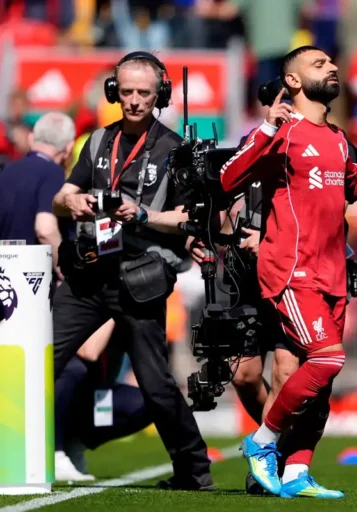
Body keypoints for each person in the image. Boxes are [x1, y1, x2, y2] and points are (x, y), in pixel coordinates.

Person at [220, 45, 357, 498]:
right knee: (327, 358)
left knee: (316, 381)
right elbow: (228, 179)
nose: (333, 67)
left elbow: (352, 187)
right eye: (319, 64)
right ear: (292, 80)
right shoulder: (282, 131)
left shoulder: (338, 138)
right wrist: (268, 127)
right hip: (292, 271)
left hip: (333, 273)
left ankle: (296, 472)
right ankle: (263, 441)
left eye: (331, 62)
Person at [50, 51, 213, 490]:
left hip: (139, 278)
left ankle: (194, 471)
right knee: (39, 356)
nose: (135, 100)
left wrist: (142, 214)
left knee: (155, 383)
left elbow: (189, 218)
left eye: (144, 92)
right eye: (126, 92)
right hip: (89, 272)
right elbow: (61, 198)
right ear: (113, 93)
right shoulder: (98, 141)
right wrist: (73, 200)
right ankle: (19, 449)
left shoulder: (176, 149)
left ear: (160, 94)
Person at [54, 319, 151, 482]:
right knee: (74, 368)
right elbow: (88, 351)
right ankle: (54, 452)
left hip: (90, 398)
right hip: (53, 398)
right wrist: (111, 313)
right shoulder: (88, 310)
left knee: (151, 401)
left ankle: (74, 445)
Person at [0, 112, 76, 279]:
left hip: (4, 275)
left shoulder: (7, 171)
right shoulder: (53, 172)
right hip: (33, 278)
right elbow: (45, 229)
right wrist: (66, 270)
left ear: (31, 139)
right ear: (69, 147)